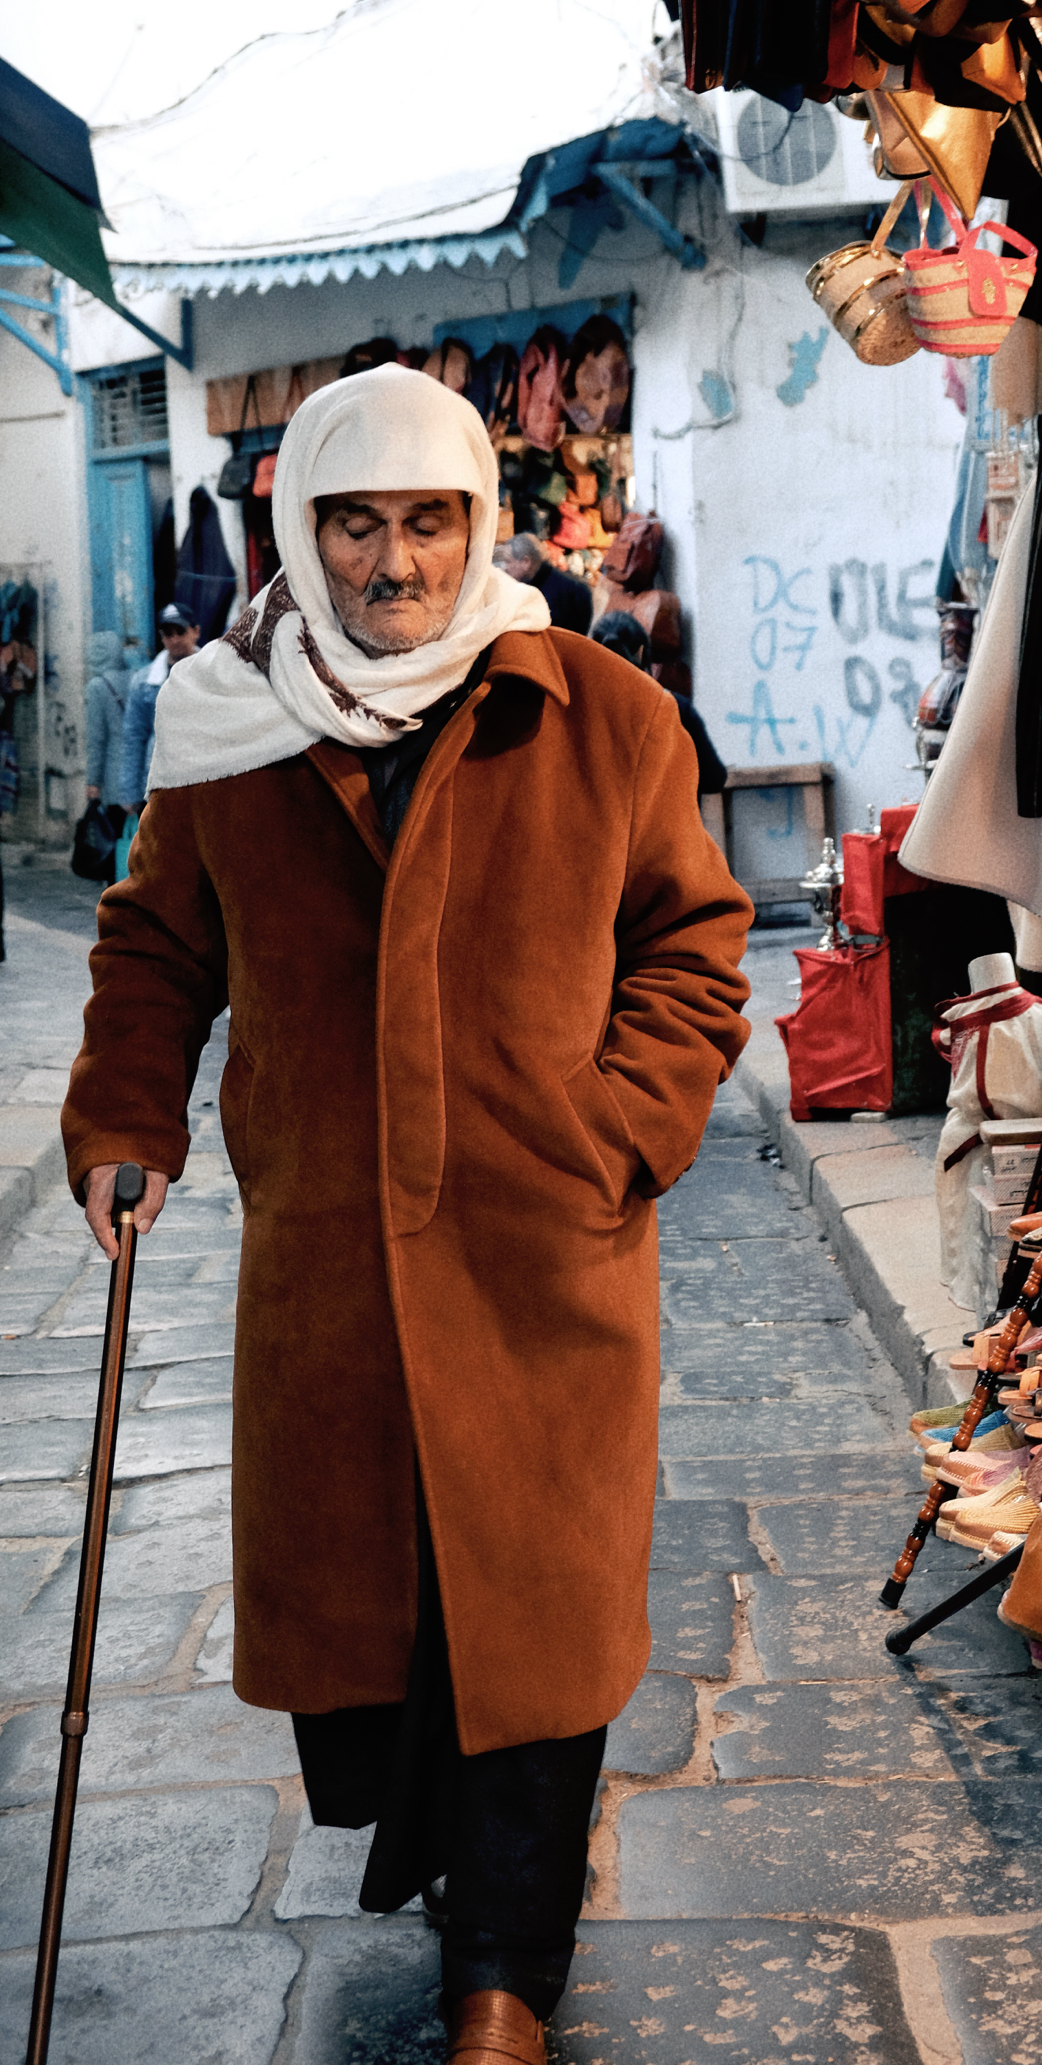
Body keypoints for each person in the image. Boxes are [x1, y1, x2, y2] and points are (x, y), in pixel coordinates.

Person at [61, 366, 751, 2064]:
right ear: (296, 536)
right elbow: (158, 948)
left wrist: (617, 1130)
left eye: (425, 521)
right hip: (335, 1264)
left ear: (478, 525)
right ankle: (457, 1884)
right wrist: (124, 1116)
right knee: (385, 1635)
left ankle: (506, 1967)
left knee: (532, 1611)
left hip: (542, 1251)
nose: (392, 562)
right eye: (355, 523)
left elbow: (693, 944)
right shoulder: (228, 731)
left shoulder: (597, 717)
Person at [590, 610, 727, 799]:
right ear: (641, 652)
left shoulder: (582, 715)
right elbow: (714, 778)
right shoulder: (676, 708)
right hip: (669, 824)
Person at [116, 601, 200, 811]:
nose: (174, 639)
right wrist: (129, 793)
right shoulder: (144, 682)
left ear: (196, 632)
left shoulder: (212, 673)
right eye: (167, 634)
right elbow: (134, 737)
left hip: (203, 779)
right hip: (161, 782)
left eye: (180, 631)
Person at [497, 530, 592, 635]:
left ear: (526, 562)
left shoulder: (547, 595)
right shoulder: (565, 584)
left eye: (508, 561)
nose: (504, 568)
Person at [82, 631, 129, 810]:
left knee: (117, 835)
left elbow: (96, 739)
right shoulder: (137, 677)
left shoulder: (96, 686)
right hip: (140, 777)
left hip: (115, 777)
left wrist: (93, 781)